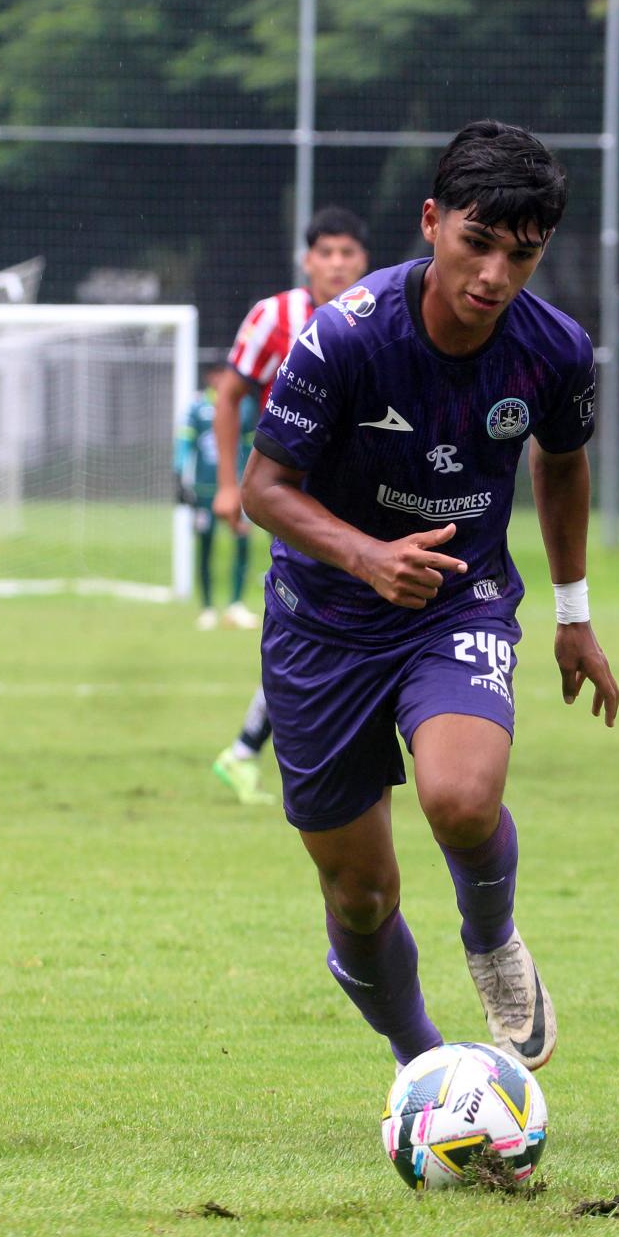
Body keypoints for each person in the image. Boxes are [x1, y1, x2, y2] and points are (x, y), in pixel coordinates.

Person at [238, 120, 618, 1072]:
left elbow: (563, 469)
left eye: (521, 255)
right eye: (475, 243)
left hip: (460, 602)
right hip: (322, 625)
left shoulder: (555, 351)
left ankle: (491, 939)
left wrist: (573, 615)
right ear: (432, 222)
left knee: (459, 798)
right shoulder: (347, 336)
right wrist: (366, 556)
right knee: (360, 898)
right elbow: (263, 490)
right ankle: (426, 1067)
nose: (494, 275)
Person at [209, 207, 372, 800]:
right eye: (325, 252)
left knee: (326, 628)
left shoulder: (381, 319)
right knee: (315, 624)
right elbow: (229, 396)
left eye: (347, 253)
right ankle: (255, 749)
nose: (336, 263)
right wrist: (230, 483)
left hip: (362, 503)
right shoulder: (273, 317)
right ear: (307, 260)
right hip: (295, 502)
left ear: (363, 260)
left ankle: (249, 748)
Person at [176, 364, 260, 631]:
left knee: (243, 541)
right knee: (205, 544)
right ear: (209, 377)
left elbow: (250, 447)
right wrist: (179, 477)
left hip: (237, 490)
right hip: (204, 491)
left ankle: (236, 604)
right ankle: (208, 607)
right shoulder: (196, 408)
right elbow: (185, 443)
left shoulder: (245, 407)